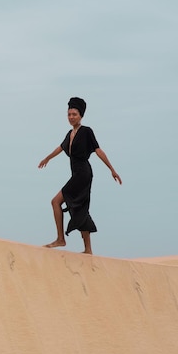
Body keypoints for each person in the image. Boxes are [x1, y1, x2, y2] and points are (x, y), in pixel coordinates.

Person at [38, 97, 121, 254]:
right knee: (80, 209)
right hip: (77, 174)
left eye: (74, 114)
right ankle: (88, 250)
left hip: (83, 174)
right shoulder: (70, 133)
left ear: (81, 115)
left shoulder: (86, 132)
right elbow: (61, 148)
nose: (71, 117)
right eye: (69, 114)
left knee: (56, 201)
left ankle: (60, 239)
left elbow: (98, 150)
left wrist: (112, 169)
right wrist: (47, 158)